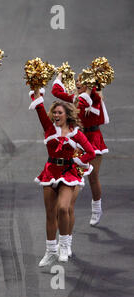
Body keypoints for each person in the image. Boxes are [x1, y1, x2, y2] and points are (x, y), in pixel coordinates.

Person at [29, 89, 95, 266]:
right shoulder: (49, 128)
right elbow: (39, 108)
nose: (56, 115)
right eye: (55, 113)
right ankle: (50, 251)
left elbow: (91, 152)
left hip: (68, 172)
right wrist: (36, 89)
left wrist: (78, 160)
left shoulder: (76, 133)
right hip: (50, 172)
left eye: (60, 113)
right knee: (50, 213)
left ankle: (64, 246)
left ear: (67, 115)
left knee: (63, 208)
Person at [52, 73, 109, 226]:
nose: (77, 83)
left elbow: (93, 100)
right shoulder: (76, 98)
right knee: (74, 176)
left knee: (93, 176)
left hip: (94, 139)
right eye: (76, 81)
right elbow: (56, 92)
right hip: (79, 139)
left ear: (88, 85)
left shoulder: (94, 98)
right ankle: (66, 208)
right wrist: (60, 76)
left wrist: (91, 87)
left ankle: (97, 208)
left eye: (81, 82)